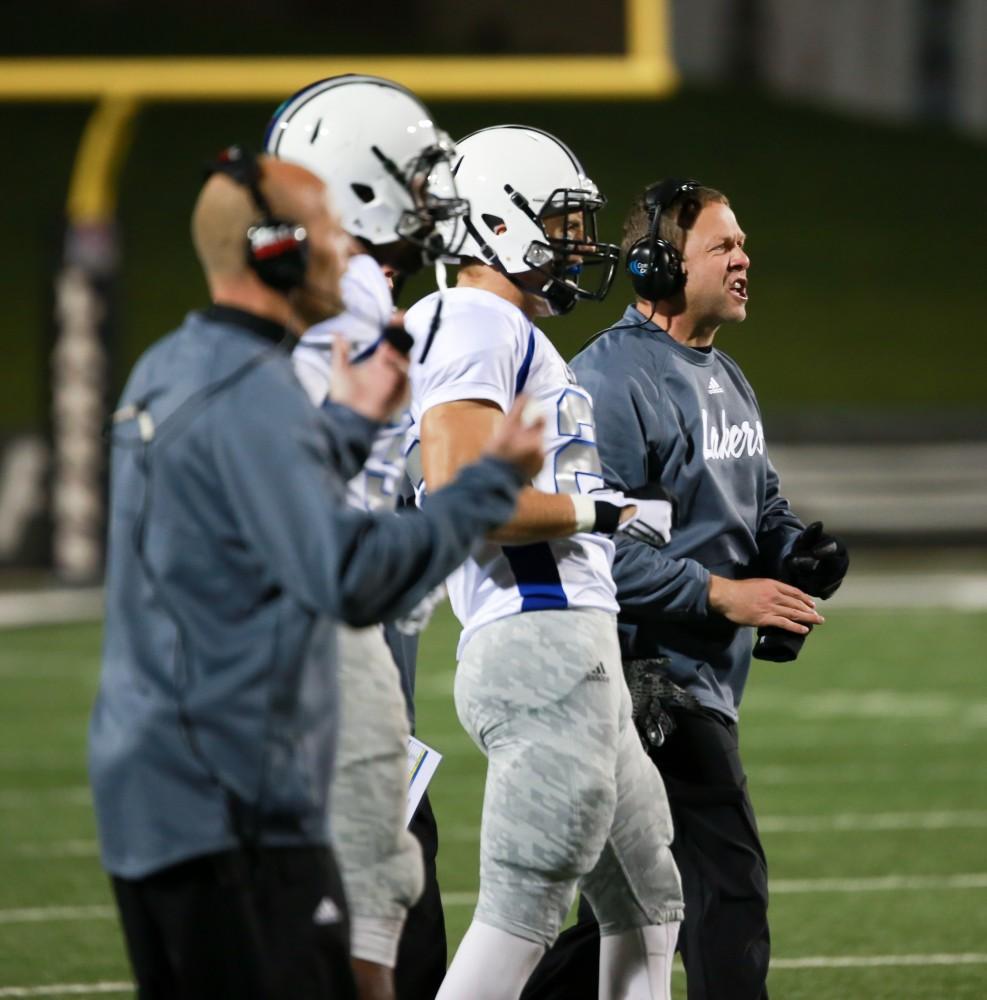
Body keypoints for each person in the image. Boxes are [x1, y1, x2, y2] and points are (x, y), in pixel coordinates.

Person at [88, 147, 545, 1000]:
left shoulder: (172, 364)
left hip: (150, 791)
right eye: (331, 230)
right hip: (230, 801)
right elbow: (352, 579)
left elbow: (239, 514)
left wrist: (341, 425)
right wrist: (488, 483)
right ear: (277, 250)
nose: (348, 249)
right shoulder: (253, 392)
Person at [521, 180, 849, 1000]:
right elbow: (596, 550)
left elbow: (760, 501)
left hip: (701, 673)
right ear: (661, 265)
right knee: (725, 883)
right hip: (646, 677)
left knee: (631, 908)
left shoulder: (724, 374)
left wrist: (796, 549)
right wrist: (724, 596)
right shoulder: (610, 381)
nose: (744, 260)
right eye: (723, 247)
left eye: (741, 246)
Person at [403, 126, 685, 1000]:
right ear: (501, 218)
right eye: (562, 224)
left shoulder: (492, 327)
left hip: (571, 645)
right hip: (538, 642)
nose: (578, 245)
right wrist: (600, 509)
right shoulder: (474, 318)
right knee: (523, 910)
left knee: (649, 902)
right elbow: (463, 496)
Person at [265, 73, 467, 1000]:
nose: (435, 200)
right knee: (382, 907)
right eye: (418, 177)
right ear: (357, 180)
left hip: (338, 637)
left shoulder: (338, 298)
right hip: (325, 647)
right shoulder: (341, 308)